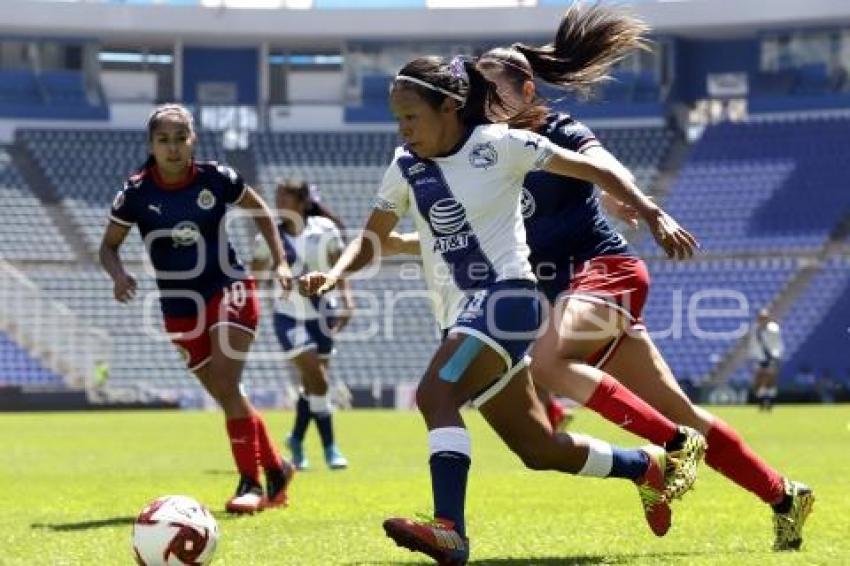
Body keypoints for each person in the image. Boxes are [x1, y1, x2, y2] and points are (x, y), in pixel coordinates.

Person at [300, 55, 706, 565]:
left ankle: (450, 531)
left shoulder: (503, 145)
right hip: (462, 319)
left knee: (435, 392)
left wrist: (650, 211)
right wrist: (335, 276)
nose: (403, 131)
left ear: (449, 107)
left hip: (508, 300)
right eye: (398, 120)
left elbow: (595, 167)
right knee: (539, 450)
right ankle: (646, 467)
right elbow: (370, 239)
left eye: (411, 118)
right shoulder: (405, 166)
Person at [470, 3, 812, 552]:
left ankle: (668, 451)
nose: (479, 104)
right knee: (682, 411)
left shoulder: (561, 130)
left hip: (606, 273)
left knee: (551, 361)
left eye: (490, 91)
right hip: (569, 293)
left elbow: (609, 166)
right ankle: (785, 496)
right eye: (475, 93)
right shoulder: (488, 151)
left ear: (527, 91)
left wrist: (644, 206)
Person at [99, 104, 295, 514]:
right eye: (163, 140)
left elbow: (261, 212)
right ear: (151, 145)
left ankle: (250, 484)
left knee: (226, 381)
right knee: (228, 396)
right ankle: (277, 468)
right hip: (177, 304)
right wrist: (118, 275)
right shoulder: (135, 192)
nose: (172, 148)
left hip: (228, 285)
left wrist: (279, 262)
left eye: (179, 139)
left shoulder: (217, 178)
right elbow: (108, 246)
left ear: (194, 140)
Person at [251, 179, 353, 470]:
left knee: (313, 385)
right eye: (277, 198)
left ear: (302, 202)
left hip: (324, 314)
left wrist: (348, 302)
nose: (279, 204)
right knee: (318, 379)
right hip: (288, 317)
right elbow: (254, 278)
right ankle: (330, 446)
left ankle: (296, 439)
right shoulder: (268, 238)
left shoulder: (325, 231)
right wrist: (249, 312)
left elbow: (339, 269)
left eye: (285, 199)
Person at [749, 308, 784, 411]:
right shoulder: (755, 330)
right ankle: (762, 402)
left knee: (770, 381)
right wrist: (753, 356)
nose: (762, 320)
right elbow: (753, 344)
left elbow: (777, 343)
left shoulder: (773, 329)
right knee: (759, 381)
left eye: (764, 318)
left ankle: (770, 403)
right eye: (761, 318)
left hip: (772, 357)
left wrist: (775, 356)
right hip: (760, 358)